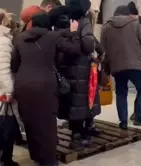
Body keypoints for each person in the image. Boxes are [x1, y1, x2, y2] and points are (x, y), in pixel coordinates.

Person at [11, 12, 81, 166]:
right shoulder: (53, 37)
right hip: (45, 87)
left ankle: (36, 157)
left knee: (30, 123)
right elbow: (74, 50)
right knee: (47, 124)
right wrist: (74, 32)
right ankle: (49, 161)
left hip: (23, 86)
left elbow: (14, 65)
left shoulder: (20, 38)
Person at [101, 6, 141, 129]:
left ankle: (123, 121)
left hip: (117, 66)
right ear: (127, 14)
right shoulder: (135, 24)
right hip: (137, 65)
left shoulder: (106, 27)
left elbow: (103, 49)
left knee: (121, 93)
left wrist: (106, 66)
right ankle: (139, 118)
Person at [61, 0, 101, 148]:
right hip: (82, 68)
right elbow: (89, 44)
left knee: (72, 101)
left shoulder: (62, 19)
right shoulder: (84, 21)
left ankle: (77, 133)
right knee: (84, 100)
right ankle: (79, 135)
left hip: (66, 67)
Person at [0, 9, 20, 166]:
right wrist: (9, 91)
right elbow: (3, 70)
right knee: (8, 124)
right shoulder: (3, 41)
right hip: (2, 92)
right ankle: (6, 159)